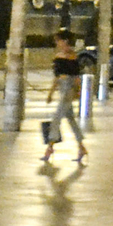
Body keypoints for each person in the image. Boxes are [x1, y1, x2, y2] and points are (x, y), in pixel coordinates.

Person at [42, 32, 86, 164]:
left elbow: (77, 77)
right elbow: (57, 78)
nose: (57, 43)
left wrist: (77, 92)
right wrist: (51, 93)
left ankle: (50, 147)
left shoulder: (73, 57)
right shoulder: (59, 57)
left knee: (57, 118)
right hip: (64, 89)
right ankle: (81, 147)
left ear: (65, 41)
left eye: (59, 40)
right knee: (71, 119)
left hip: (68, 90)